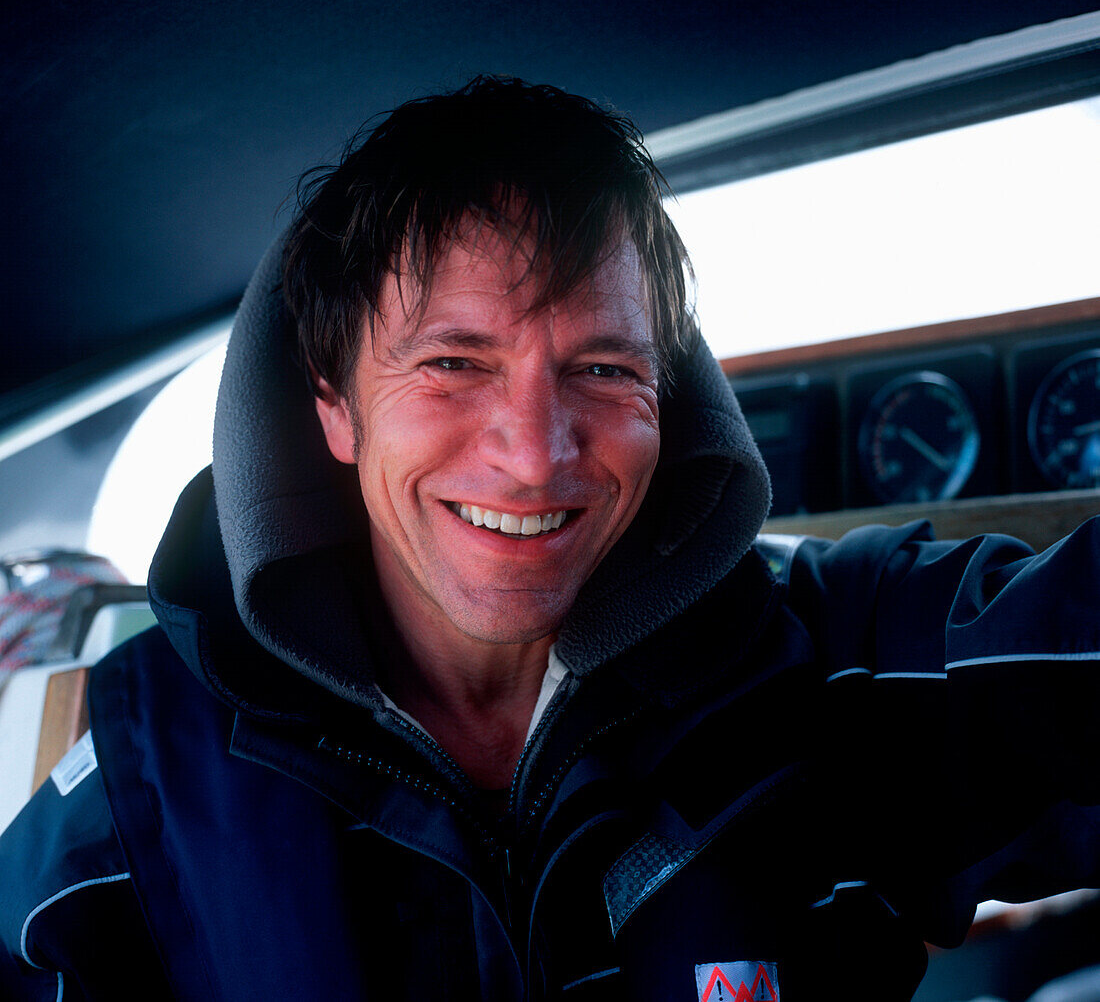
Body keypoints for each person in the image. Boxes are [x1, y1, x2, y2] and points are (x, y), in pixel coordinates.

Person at [1, 76, 1097, 1001]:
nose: (534, 453)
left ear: (668, 400)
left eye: (604, 368)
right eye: (452, 363)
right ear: (333, 405)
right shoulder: (141, 793)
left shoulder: (826, 658)